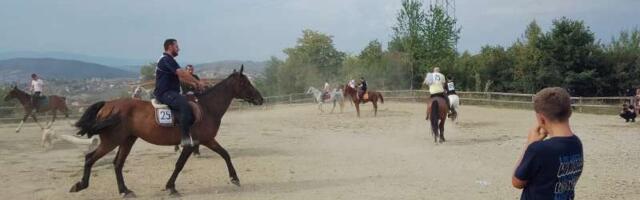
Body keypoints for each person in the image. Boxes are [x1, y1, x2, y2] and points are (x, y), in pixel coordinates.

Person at [512, 87, 583, 200]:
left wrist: (529, 143)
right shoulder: (577, 143)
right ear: (569, 112)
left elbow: (517, 182)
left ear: (541, 119)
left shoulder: (538, 149)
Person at [154, 39, 205, 147]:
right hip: (165, 93)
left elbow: (179, 77)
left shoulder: (169, 59)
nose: (179, 49)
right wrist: (197, 82)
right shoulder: (166, 59)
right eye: (177, 47)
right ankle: (185, 139)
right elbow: (181, 72)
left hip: (171, 92)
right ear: (170, 47)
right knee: (184, 105)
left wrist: (193, 84)